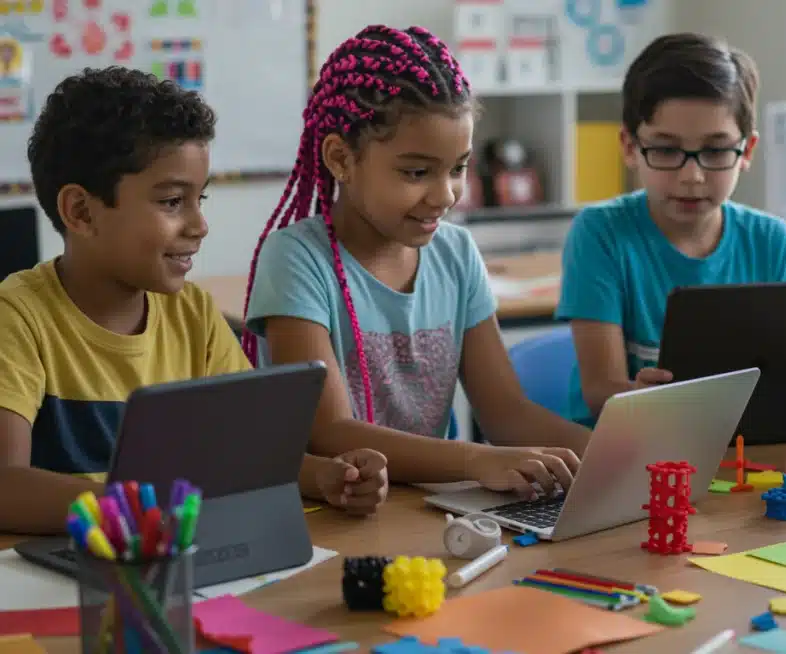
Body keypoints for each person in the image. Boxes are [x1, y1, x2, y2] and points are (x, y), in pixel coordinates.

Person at [0, 67, 389, 535]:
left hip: (169, 560)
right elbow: (6, 487)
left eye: (198, 199)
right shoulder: (18, 317)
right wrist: (140, 511)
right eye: (171, 202)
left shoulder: (195, 315)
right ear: (81, 212)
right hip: (60, 581)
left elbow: (247, 452)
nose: (199, 225)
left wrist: (326, 475)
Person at [242, 25, 591, 500]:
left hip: (436, 509)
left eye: (459, 167)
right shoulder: (297, 259)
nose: (445, 194)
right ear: (341, 158)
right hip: (333, 516)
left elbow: (505, 410)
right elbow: (331, 433)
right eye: (416, 172)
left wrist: (609, 454)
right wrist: (476, 458)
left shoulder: (456, 252)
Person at [556, 32, 786, 428]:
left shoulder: (770, 241)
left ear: (746, 151)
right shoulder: (601, 233)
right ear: (630, 147)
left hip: (738, 453)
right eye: (666, 150)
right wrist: (637, 397)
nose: (692, 176)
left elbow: (784, 375)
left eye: (716, 151)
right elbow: (600, 391)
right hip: (620, 451)